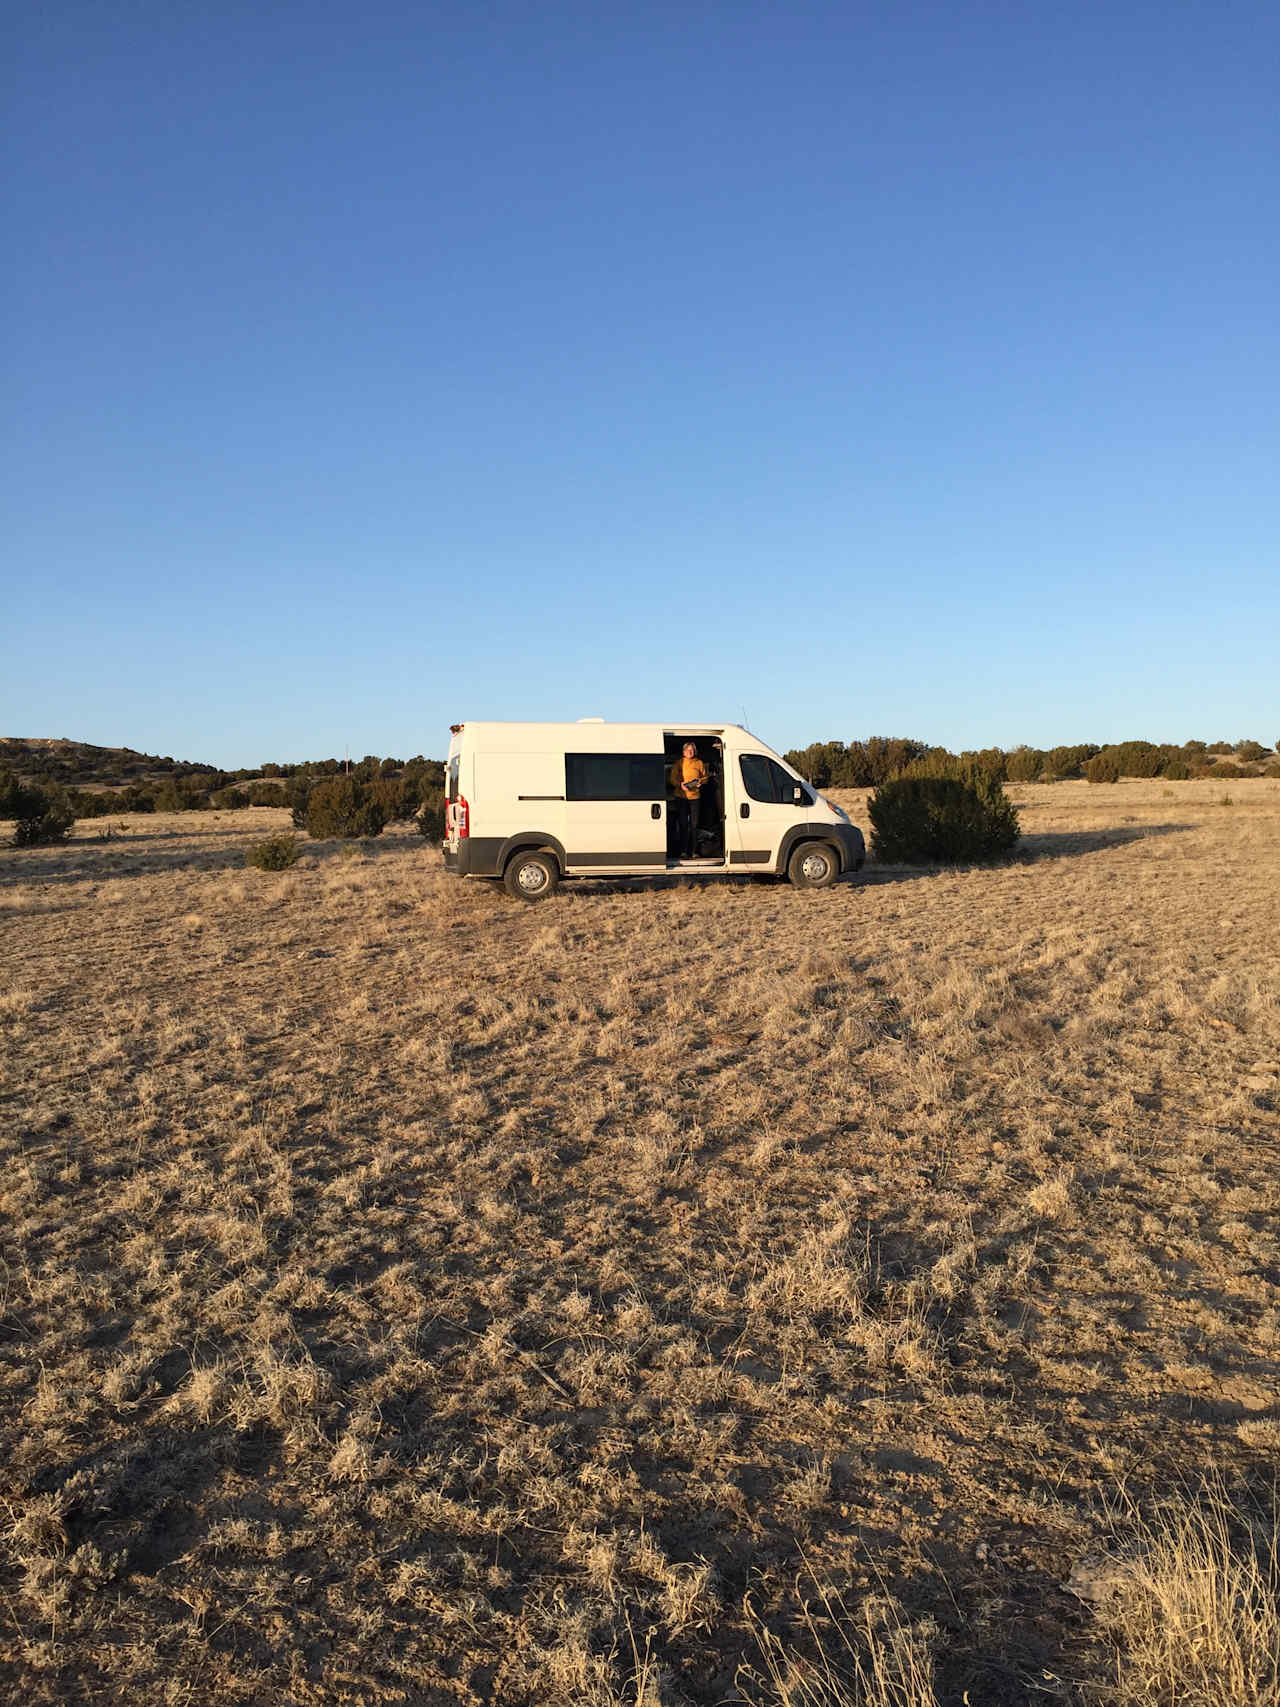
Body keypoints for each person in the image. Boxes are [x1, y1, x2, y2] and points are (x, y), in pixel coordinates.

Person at [669, 741, 707, 857]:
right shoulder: (679, 763)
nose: (690, 752)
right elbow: (672, 779)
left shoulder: (699, 763)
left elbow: (705, 777)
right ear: (684, 752)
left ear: (694, 751)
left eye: (692, 750)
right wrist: (680, 785)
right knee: (683, 824)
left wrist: (701, 782)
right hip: (681, 797)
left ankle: (694, 851)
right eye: (688, 750)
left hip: (695, 797)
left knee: (694, 825)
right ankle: (683, 851)